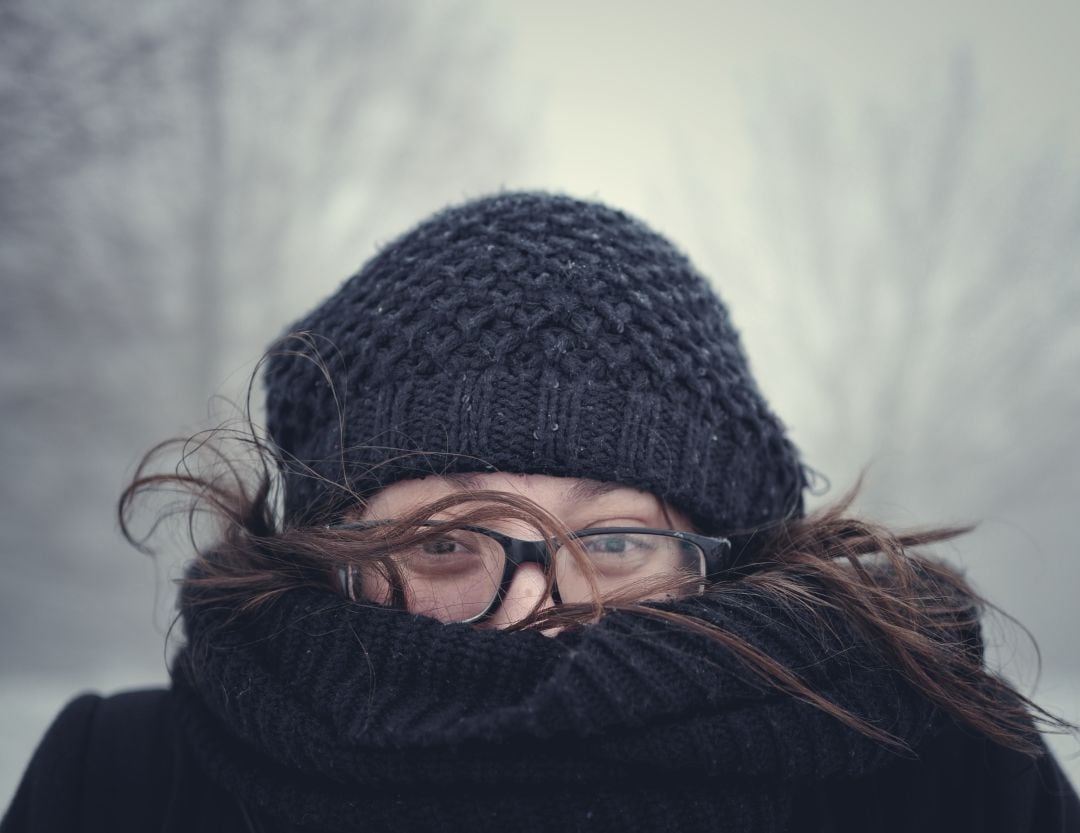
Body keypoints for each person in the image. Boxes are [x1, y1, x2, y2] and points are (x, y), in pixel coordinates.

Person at [4, 192, 1078, 832]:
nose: (538, 615)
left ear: (725, 556)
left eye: (612, 539)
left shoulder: (940, 772)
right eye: (444, 541)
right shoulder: (126, 783)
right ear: (331, 549)